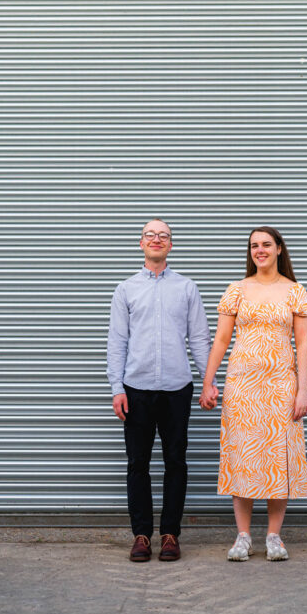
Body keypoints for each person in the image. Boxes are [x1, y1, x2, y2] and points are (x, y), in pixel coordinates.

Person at [200, 226, 307, 561]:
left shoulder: (295, 292)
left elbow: (304, 344)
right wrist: (209, 381)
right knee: (243, 457)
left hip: (281, 386)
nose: (259, 250)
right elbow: (221, 340)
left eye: (266, 244)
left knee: (279, 459)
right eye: (254, 245)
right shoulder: (237, 290)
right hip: (242, 386)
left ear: (279, 249)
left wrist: (302, 391)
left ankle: (274, 537)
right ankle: (243, 537)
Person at [107, 219, 212, 562]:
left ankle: (170, 535)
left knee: (175, 463)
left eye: (164, 235)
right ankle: (141, 535)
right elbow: (117, 342)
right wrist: (116, 387)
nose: (157, 239)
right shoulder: (125, 289)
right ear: (141, 244)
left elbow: (199, 339)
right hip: (135, 390)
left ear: (171, 245)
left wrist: (208, 381)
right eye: (150, 235)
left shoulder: (186, 288)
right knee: (137, 464)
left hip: (176, 389)